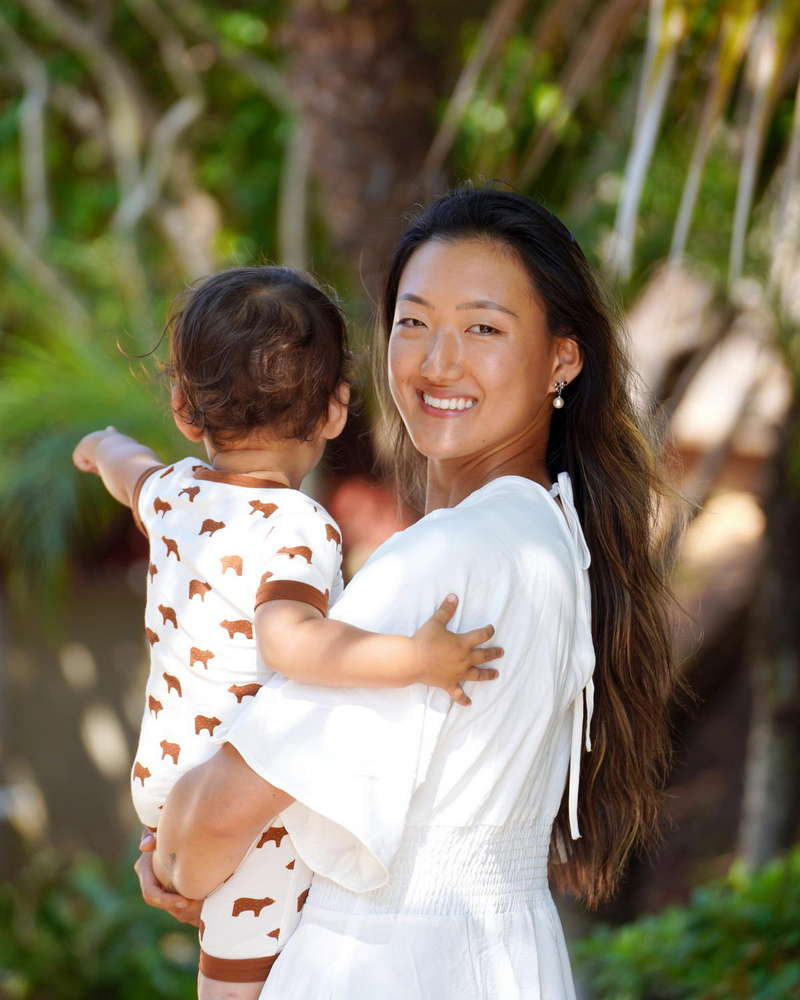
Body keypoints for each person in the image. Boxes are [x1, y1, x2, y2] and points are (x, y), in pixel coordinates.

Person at [137, 188, 682, 999]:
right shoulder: (550, 540)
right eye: (415, 322)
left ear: (562, 359)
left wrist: (171, 859)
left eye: (484, 329)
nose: (438, 362)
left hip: (381, 966)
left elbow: (218, 816)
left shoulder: (442, 559)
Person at [72, 265, 500, 1000]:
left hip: (168, 774)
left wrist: (97, 445)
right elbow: (289, 640)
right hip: (239, 794)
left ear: (183, 408)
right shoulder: (298, 527)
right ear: (336, 412)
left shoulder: (173, 492)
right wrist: (417, 659)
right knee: (238, 979)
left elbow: (126, 468)